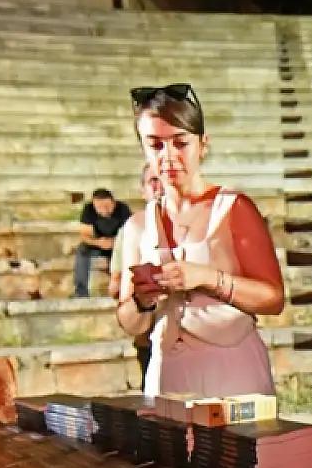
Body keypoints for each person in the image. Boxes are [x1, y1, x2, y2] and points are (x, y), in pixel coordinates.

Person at [113, 83, 284, 397]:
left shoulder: (234, 208)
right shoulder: (138, 225)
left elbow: (273, 298)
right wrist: (142, 301)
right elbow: (128, 322)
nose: (169, 156)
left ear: (202, 145)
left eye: (180, 143)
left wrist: (206, 277)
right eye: (155, 145)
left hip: (231, 369)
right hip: (168, 372)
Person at [110, 164, 163, 382]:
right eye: (153, 181)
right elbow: (117, 283)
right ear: (142, 190)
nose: (161, 187)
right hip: (151, 339)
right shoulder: (132, 229)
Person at [73, 187, 130, 298]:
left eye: (107, 206)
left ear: (113, 203)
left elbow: (130, 233)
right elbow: (84, 235)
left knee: (127, 252)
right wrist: (99, 242)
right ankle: (81, 291)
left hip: (118, 244)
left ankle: (125, 288)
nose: (103, 210)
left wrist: (115, 243)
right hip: (98, 244)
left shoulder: (123, 209)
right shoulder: (89, 209)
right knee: (82, 251)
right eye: (99, 207)